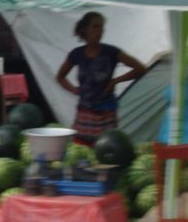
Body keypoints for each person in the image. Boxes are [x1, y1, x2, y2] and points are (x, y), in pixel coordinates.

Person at [55, 11, 146, 146]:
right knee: (82, 152)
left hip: (106, 112)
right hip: (84, 112)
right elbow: (60, 77)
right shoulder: (77, 54)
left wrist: (116, 80)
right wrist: (74, 90)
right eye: (95, 27)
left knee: (106, 149)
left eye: (102, 27)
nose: (99, 31)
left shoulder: (111, 52)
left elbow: (140, 69)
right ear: (85, 30)